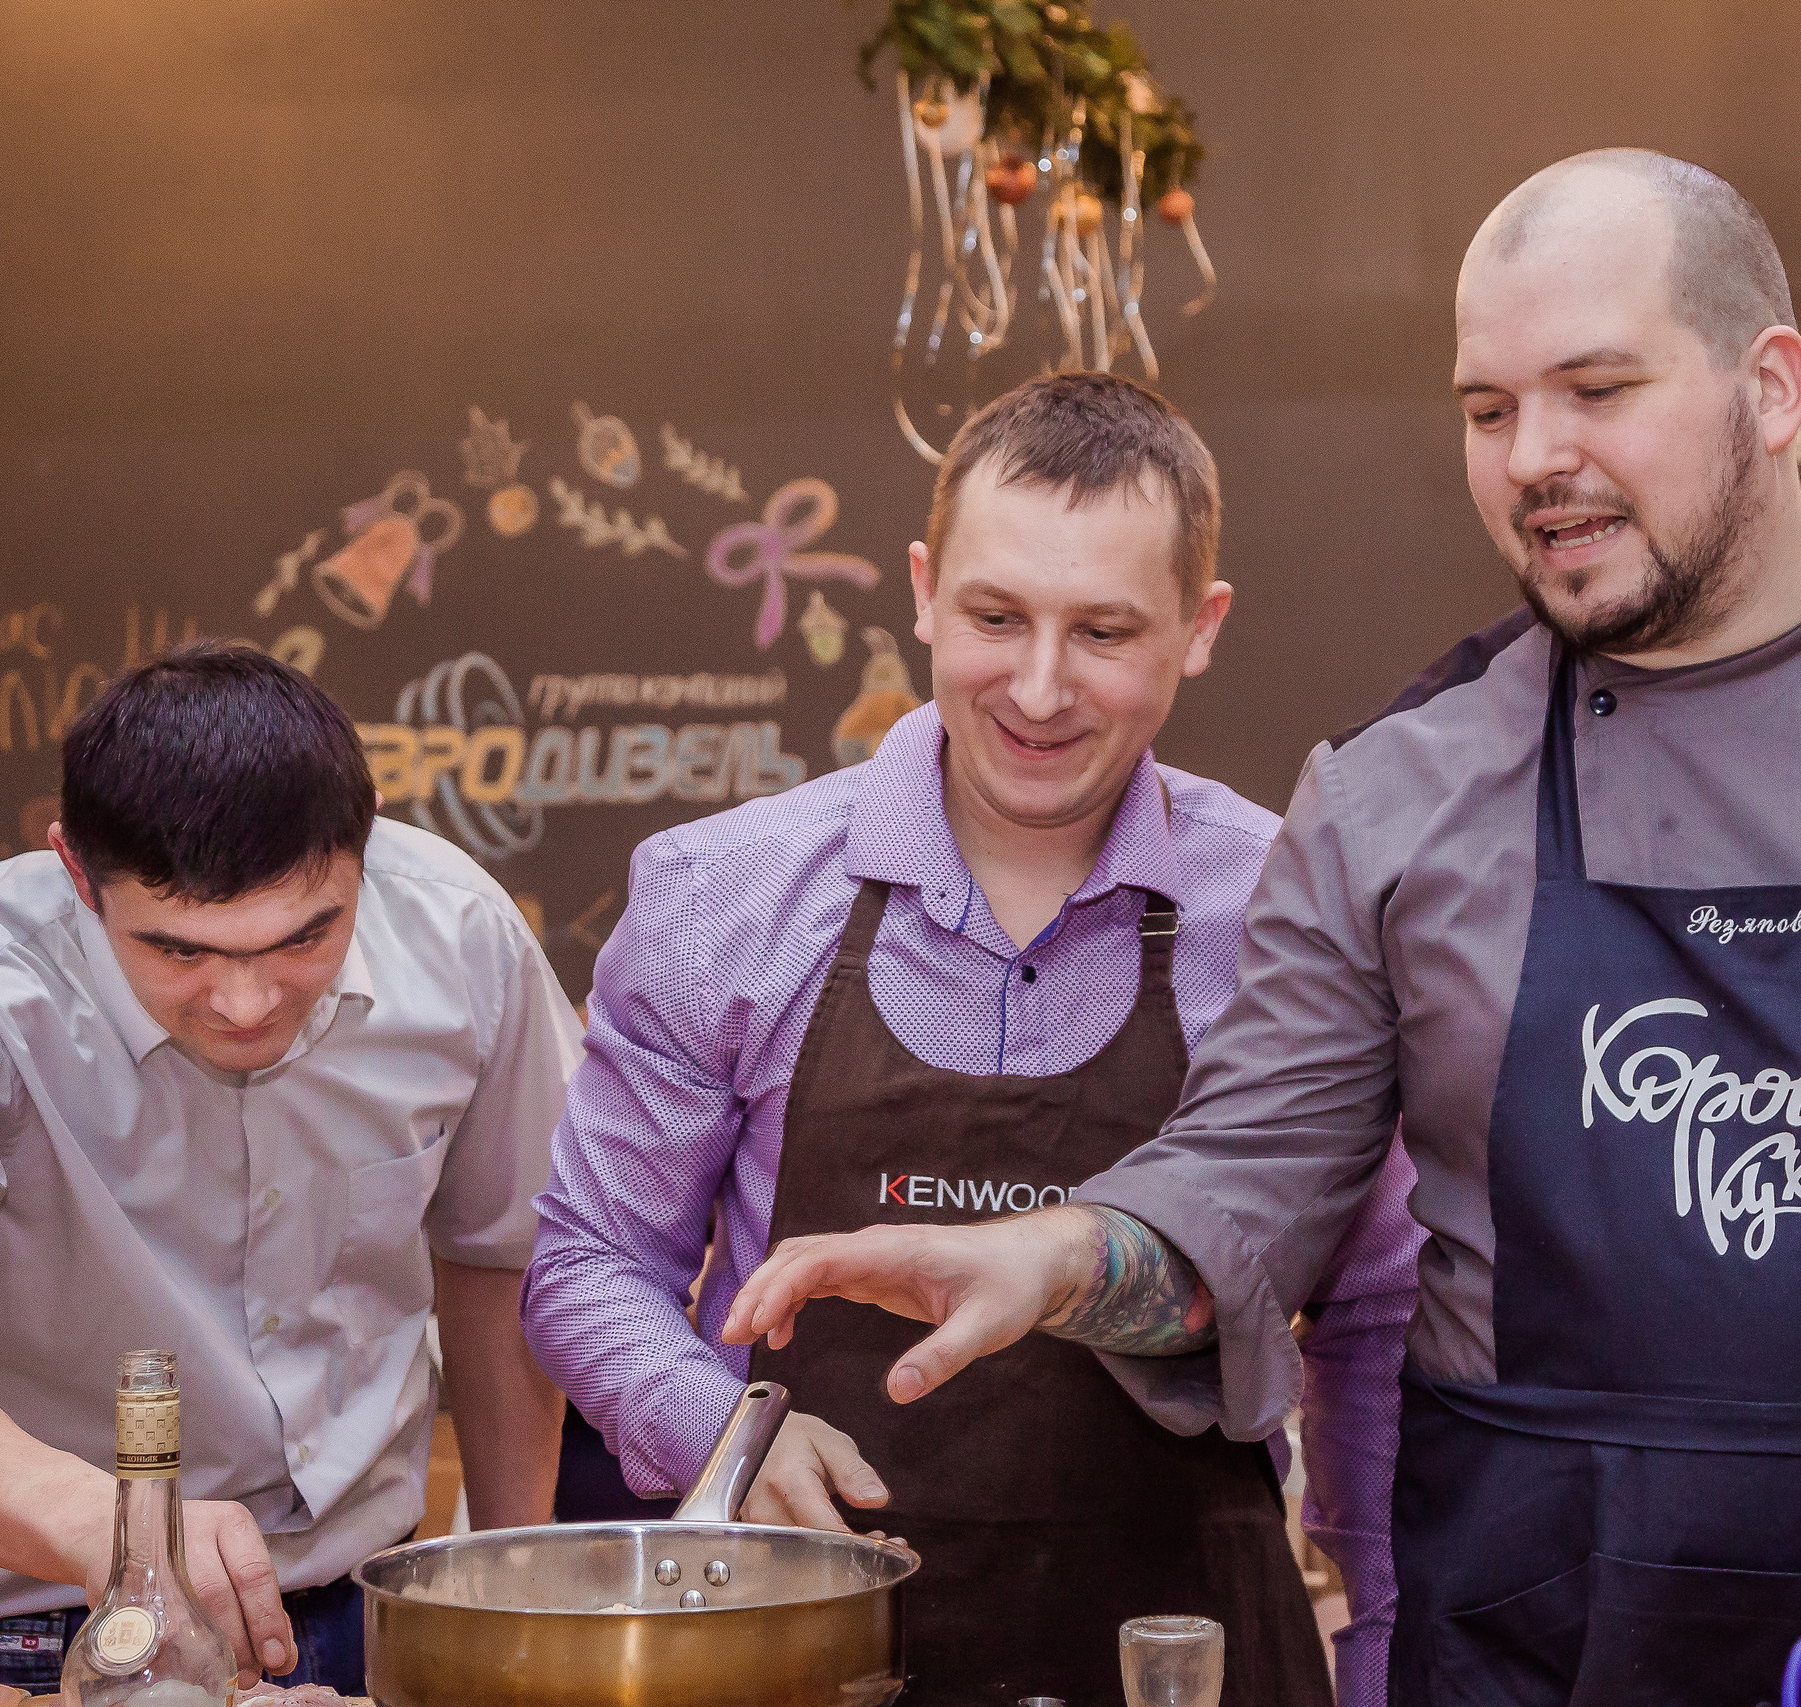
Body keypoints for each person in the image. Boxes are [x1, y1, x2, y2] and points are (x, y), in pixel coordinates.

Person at [720, 148, 1801, 1706]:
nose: (1532, 457)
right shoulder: (1396, 789)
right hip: (1544, 1638)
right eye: (1489, 409)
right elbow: (1246, 1181)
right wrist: (1049, 1256)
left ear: (1769, 388)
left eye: (1596, 388)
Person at [523, 371, 1422, 1707]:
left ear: (1201, 625)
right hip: (798, 1644)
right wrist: (718, 1429)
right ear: (925, 588)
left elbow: (1375, 1309)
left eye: (1106, 630)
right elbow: (590, 1260)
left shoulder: (1289, 906)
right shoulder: (724, 894)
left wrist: (1386, 1655)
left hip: (1190, 1656)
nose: (1041, 688)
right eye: (997, 616)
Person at [0, 644, 576, 1694]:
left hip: (357, 1598)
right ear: (76, 872)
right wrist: (123, 1535)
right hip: (45, 1620)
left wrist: (501, 1583)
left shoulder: (460, 936)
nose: (246, 1005)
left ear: (362, 854)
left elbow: (502, 1253)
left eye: (304, 937)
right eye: (181, 952)